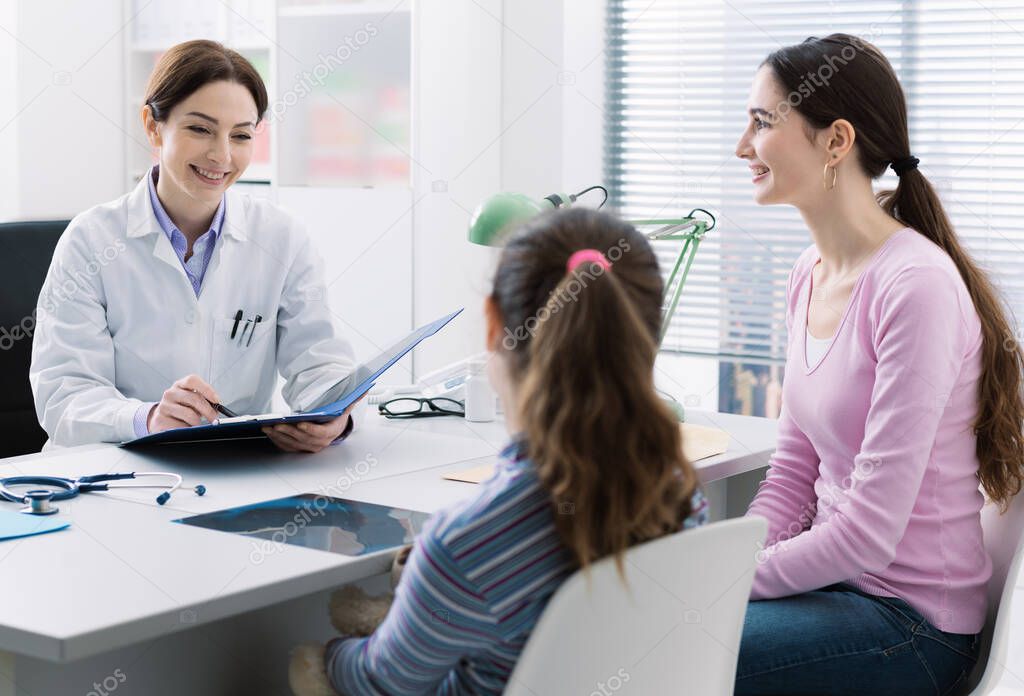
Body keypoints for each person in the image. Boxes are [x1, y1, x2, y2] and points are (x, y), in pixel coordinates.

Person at [290, 207, 710, 695]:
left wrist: (331, 656)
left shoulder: (466, 546)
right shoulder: (679, 493)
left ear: (494, 326)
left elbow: (381, 682)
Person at [733, 33, 1024, 695]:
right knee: (652, 630)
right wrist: (722, 564)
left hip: (910, 627)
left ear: (836, 142)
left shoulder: (914, 286)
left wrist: (725, 587)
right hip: (832, 592)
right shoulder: (808, 273)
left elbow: (866, 533)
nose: (742, 147)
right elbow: (792, 473)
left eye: (761, 122)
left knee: (668, 652)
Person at [30, 40, 356, 452]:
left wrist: (333, 416)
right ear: (152, 125)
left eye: (240, 135)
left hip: (234, 472)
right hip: (111, 477)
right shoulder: (90, 239)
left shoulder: (282, 237)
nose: (222, 155)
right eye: (200, 129)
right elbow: (64, 396)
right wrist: (147, 418)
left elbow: (320, 363)